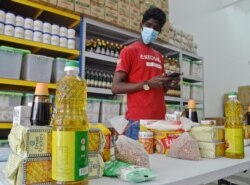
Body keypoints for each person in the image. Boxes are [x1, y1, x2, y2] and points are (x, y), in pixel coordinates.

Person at [111, 7, 173, 140]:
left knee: (159, 161)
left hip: (160, 122)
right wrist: (148, 84)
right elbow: (115, 87)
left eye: (156, 28)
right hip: (138, 123)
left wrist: (168, 84)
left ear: (159, 32)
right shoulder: (129, 51)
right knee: (139, 161)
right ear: (141, 25)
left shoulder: (159, 56)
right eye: (149, 25)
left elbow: (160, 91)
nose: (152, 30)